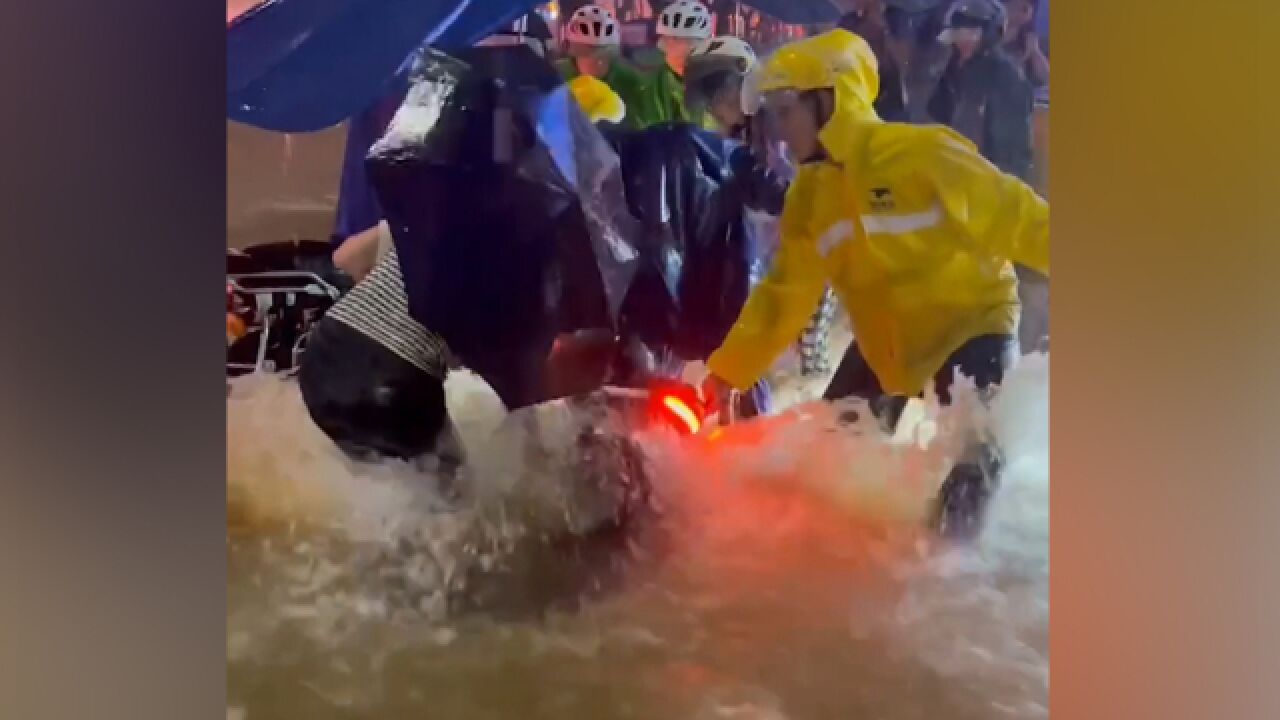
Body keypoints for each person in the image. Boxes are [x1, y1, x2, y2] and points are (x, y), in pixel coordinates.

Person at [700, 28, 1049, 538]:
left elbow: (1021, 218)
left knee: (974, 465)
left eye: (787, 110)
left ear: (830, 101)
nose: (778, 128)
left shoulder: (923, 153)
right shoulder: (809, 199)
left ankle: (947, 583)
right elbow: (784, 296)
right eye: (771, 113)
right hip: (887, 344)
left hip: (973, 326)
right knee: (826, 456)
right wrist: (728, 371)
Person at [683, 36, 838, 378]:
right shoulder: (737, 132)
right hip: (769, 248)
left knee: (808, 345)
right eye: (707, 96)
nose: (714, 104)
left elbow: (788, 190)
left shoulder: (777, 121)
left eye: (718, 90)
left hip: (810, 244)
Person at [927, 0, 1035, 181]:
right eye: (958, 35)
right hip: (957, 170)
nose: (963, 42)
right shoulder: (953, 69)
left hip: (991, 178)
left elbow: (1010, 152)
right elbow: (938, 118)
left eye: (971, 34)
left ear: (990, 34)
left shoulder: (1006, 76)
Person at [555, 4, 652, 129]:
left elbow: (643, 124)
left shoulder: (630, 79)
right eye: (586, 53)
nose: (595, 62)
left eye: (601, 54)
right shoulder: (557, 75)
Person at [1001, 0, 1049, 87]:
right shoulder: (986, 33)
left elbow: (1045, 75)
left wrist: (1035, 51)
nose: (1024, 13)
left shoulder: (1027, 36)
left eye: (1026, 8)